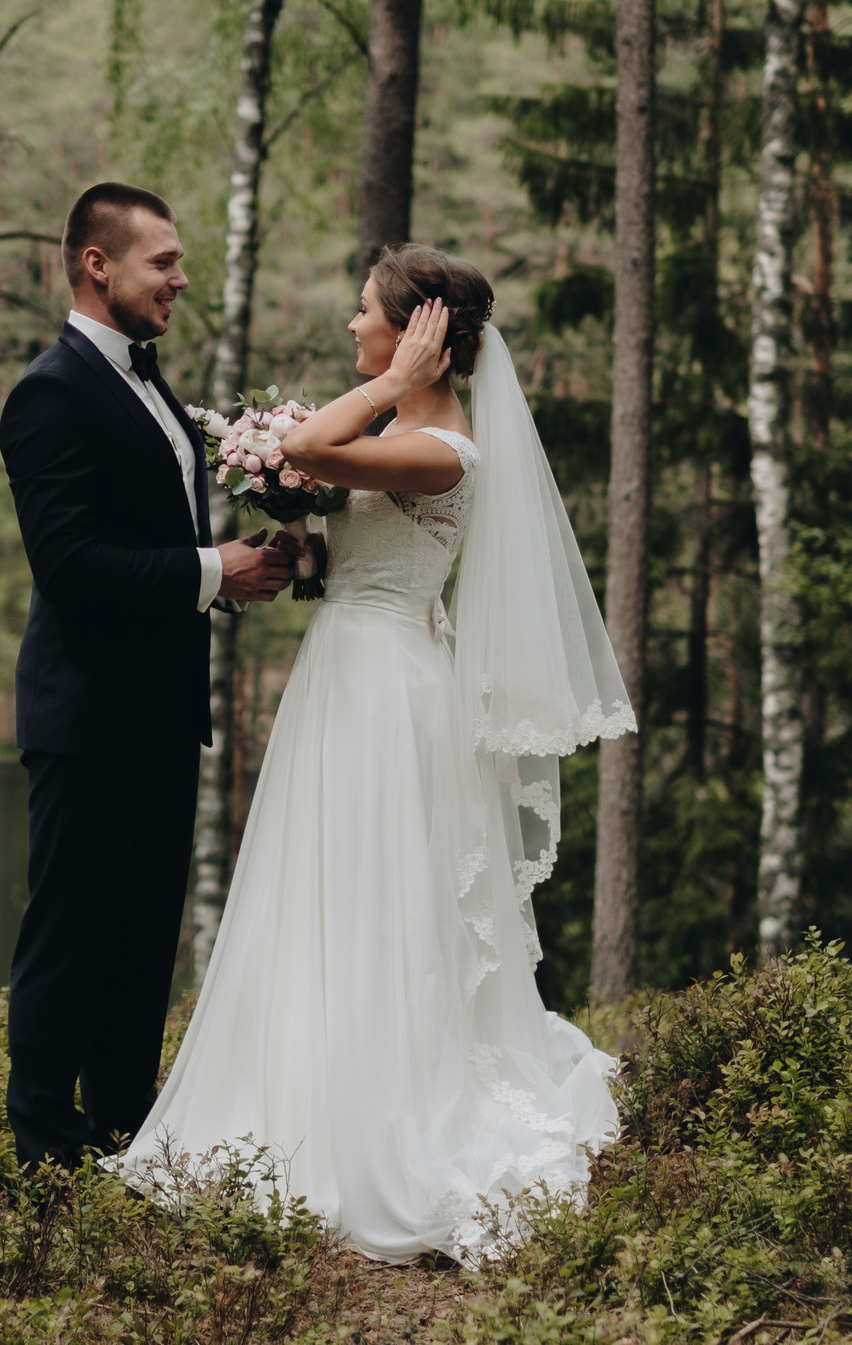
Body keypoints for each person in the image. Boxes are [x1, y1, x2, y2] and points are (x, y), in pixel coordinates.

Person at [105, 244, 631, 1264]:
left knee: (376, 895)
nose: (353, 330)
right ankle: (299, 1098)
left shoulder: (444, 452)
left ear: (419, 335)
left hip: (387, 691)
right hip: (346, 671)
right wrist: (308, 553)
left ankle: (380, 1124)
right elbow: (332, 498)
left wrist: (387, 389)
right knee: (323, 893)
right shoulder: (400, 433)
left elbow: (309, 451)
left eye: (367, 316)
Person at [0, 181, 298, 1176]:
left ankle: (125, 1127)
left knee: (140, 940)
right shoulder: (49, 393)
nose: (179, 277)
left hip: (164, 713)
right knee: (71, 934)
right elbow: (71, 566)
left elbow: (145, 545)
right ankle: (43, 1144)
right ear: (98, 264)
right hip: (85, 717)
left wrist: (228, 576)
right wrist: (214, 570)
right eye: (161, 261)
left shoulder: (152, 384)